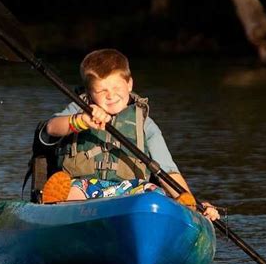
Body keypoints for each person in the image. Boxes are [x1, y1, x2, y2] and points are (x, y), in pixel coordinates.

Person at [41, 49, 219, 221]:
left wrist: (193, 207)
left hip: (130, 190)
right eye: (101, 90)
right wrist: (81, 121)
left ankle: (162, 222)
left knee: (155, 197)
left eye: (116, 87)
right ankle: (59, 214)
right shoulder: (79, 110)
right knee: (70, 194)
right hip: (84, 186)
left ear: (129, 84)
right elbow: (51, 128)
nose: (111, 95)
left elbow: (168, 172)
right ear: (89, 93)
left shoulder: (145, 125)